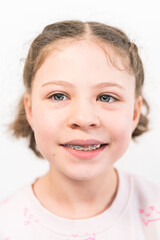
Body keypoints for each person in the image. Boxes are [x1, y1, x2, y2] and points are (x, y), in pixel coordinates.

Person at [0, 19, 159, 240]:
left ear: (134, 112)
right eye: (58, 95)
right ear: (31, 110)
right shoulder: (6, 227)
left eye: (106, 97)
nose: (83, 119)